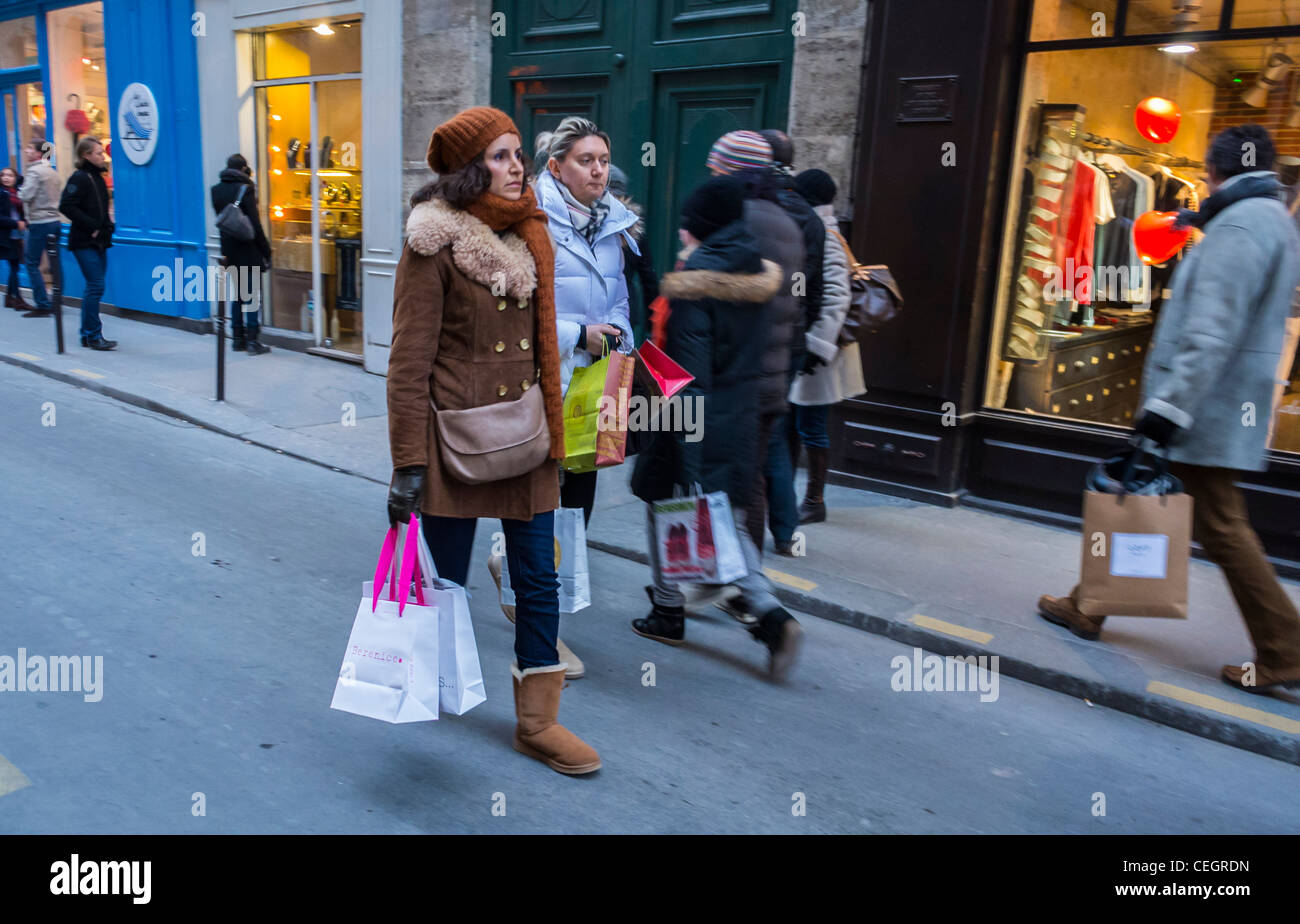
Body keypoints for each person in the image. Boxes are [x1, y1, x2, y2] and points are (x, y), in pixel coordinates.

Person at [1038, 124, 1300, 694]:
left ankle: (1285, 648)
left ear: (1216, 169)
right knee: (1154, 503)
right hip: (1219, 402)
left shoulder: (1239, 225)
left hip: (1205, 404)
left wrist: (1167, 407)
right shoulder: (1266, 217)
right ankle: (1088, 604)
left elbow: (1211, 333)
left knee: (1219, 525)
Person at [386, 106, 600, 774]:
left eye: (518, 155)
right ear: (469, 167)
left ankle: (538, 723)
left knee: (539, 575)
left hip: (527, 435)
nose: (518, 167)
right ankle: (430, 678)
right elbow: (408, 362)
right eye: (502, 156)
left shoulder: (531, 232)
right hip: (453, 441)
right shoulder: (432, 243)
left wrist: (562, 439)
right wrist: (407, 465)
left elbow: (544, 351)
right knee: (444, 580)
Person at [629, 175, 804, 680]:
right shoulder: (758, 272)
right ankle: (765, 610)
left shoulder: (694, 282)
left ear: (700, 226)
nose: (682, 232)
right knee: (719, 516)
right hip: (740, 412)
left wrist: (685, 442)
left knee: (665, 501)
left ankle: (671, 610)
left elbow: (688, 372)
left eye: (687, 224)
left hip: (684, 413)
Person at [486, 116, 639, 680]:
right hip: (540, 382)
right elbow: (514, 308)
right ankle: (544, 640)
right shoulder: (531, 223)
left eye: (602, 159)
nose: (598, 170)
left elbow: (620, 297)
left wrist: (618, 333)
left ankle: (520, 576)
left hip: (594, 384)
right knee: (543, 507)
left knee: (576, 505)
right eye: (585, 160)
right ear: (556, 167)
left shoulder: (615, 224)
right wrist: (581, 334)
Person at [706, 131, 803, 555]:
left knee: (714, 481)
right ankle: (749, 578)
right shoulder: (786, 221)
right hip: (771, 379)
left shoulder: (732, 219)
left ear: (732, 172)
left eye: (716, 169)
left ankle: (729, 579)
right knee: (751, 480)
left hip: (730, 379)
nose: (710, 177)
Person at [788, 168, 866, 523]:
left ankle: (815, 501)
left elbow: (836, 296)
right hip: (808, 349)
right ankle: (789, 496)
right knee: (796, 424)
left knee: (811, 426)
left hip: (820, 353)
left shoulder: (827, 235)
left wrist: (815, 348)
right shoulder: (815, 228)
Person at [211, 154, 273, 354]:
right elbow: (254, 224)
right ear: (244, 169)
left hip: (228, 250)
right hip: (248, 249)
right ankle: (253, 342)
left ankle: (237, 339)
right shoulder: (246, 189)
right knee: (252, 296)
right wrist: (266, 250)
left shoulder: (216, 190)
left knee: (237, 295)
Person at [59, 136, 115, 351]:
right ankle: (92, 335)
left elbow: (102, 208)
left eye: (102, 152)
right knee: (95, 285)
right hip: (84, 241)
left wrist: (108, 226)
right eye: (99, 153)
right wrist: (91, 225)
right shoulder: (79, 178)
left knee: (95, 287)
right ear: (86, 155)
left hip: (100, 240)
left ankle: (88, 334)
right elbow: (66, 205)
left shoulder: (98, 178)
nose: (103, 156)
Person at [607, 164, 658, 346]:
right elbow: (649, 279)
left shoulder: (629, 226)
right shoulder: (632, 225)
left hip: (618, 311)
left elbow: (649, 279)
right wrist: (652, 326)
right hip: (626, 310)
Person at [19, 139, 62, 318]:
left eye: (29, 148)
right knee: (55, 262)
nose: (27, 151)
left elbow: (26, 195)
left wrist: (19, 191)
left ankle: (43, 304)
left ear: (39, 153)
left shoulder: (34, 172)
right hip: (55, 221)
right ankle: (57, 302)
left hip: (39, 222)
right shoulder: (53, 172)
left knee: (31, 262)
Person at [0, 166, 31, 311]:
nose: (6, 178)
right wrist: (16, 223)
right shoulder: (2, 193)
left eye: (10, 175)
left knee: (15, 265)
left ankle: (10, 298)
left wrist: (23, 222)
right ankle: (16, 298)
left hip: (18, 234)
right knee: (14, 265)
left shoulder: (17, 192)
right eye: (3, 175)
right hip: (7, 235)